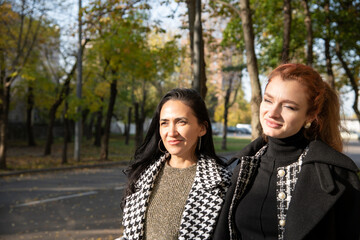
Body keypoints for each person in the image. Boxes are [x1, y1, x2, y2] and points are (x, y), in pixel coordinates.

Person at [213, 63, 360, 240]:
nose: (272, 113)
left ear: (310, 115)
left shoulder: (338, 176)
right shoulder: (238, 166)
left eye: (289, 106)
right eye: (268, 100)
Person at [119, 88, 231, 240]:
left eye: (181, 122)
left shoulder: (222, 183)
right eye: (164, 123)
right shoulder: (143, 175)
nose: (171, 132)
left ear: (202, 128)